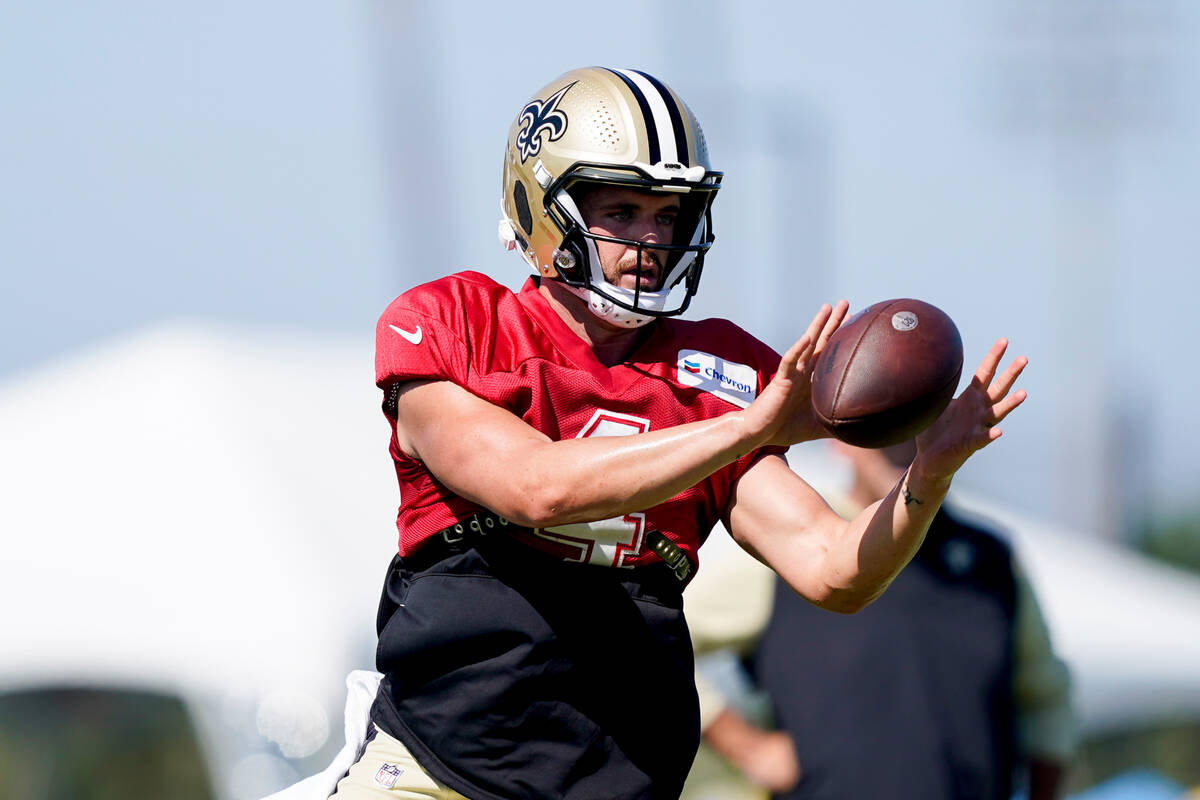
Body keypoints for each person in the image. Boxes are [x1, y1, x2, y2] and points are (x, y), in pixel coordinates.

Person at [327, 66, 1028, 800]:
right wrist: (741, 426)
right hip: (438, 771)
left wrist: (931, 474)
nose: (652, 239)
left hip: (619, 780)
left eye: (669, 215)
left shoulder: (714, 376)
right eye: (623, 211)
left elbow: (835, 569)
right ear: (541, 206)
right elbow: (535, 489)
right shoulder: (458, 322)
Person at [682, 440, 1076, 800]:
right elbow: (669, 638)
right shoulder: (793, 554)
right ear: (842, 442)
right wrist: (746, 746)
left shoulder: (992, 561)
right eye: (887, 426)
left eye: (918, 421)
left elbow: (1047, 700)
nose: (903, 442)